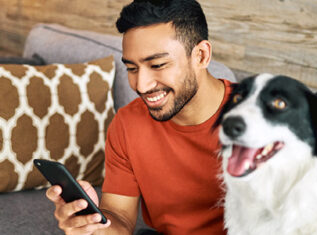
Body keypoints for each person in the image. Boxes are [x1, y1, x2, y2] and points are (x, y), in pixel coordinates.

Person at [46, 0, 233, 234]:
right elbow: (120, 218)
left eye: (157, 64)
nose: (141, 85)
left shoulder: (264, 121)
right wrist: (93, 226)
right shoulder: (127, 124)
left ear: (201, 56)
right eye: (132, 68)